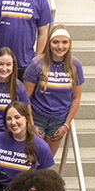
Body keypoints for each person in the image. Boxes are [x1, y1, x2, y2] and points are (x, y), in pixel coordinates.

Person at [23, 25, 84, 157]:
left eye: (64, 42)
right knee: (33, 159)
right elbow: (25, 96)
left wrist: (66, 125)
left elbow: (76, 98)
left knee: (47, 161)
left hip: (59, 121)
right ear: (49, 43)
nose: (60, 46)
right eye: (55, 42)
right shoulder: (36, 64)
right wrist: (31, 124)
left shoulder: (75, 66)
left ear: (69, 44)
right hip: (37, 116)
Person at [0, 101, 54, 191]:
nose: (13, 122)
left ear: (26, 118)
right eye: (9, 119)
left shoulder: (41, 146)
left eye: (17, 117)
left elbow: (47, 179)